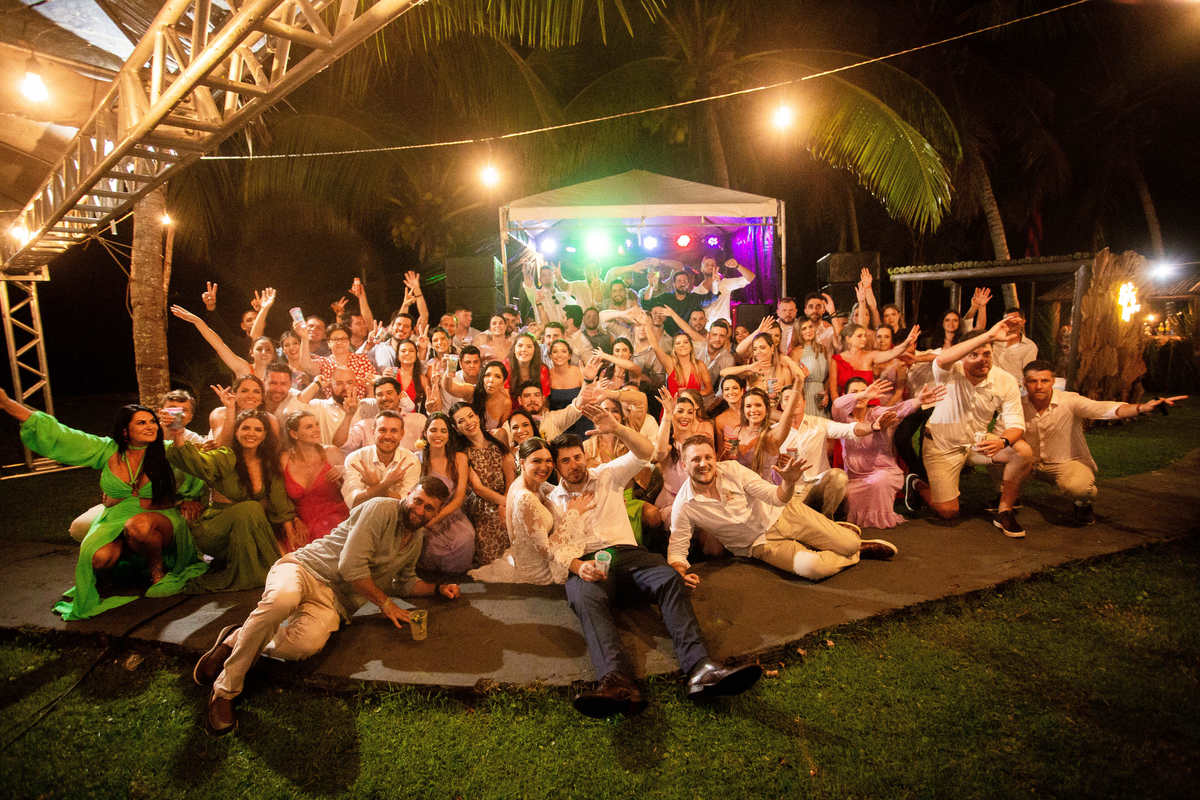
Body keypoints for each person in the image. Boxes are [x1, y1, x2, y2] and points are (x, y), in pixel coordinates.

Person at [195, 479, 457, 735]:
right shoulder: (381, 509)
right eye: (418, 501)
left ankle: (236, 637)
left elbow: (405, 582)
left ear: (436, 512)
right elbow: (350, 567)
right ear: (409, 494)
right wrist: (385, 604)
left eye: (429, 508)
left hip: (335, 602)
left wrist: (437, 588)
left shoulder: (415, 540)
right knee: (280, 602)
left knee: (302, 647)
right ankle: (225, 691)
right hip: (305, 568)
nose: (420, 510)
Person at [547, 412, 762, 717]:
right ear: (557, 467)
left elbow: (645, 452)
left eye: (577, 456)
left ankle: (700, 669)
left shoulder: (607, 474)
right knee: (583, 596)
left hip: (626, 555)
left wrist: (618, 428)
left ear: (585, 456)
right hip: (587, 563)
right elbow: (554, 547)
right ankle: (617, 682)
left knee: (668, 577)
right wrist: (578, 566)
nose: (574, 464)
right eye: (566, 460)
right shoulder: (554, 500)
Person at [2, 392, 208, 619]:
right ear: (125, 431)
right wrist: (7, 403)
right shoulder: (106, 449)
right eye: (142, 423)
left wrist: (192, 495)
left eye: (151, 422)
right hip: (115, 516)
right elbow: (64, 436)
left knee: (138, 526)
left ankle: (157, 571)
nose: (150, 427)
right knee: (98, 558)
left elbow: (197, 462)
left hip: (156, 515)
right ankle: (121, 574)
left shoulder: (167, 449)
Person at [669, 436, 898, 585]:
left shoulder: (733, 470)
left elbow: (775, 498)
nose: (703, 464)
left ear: (715, 458)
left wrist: (787, 483)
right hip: (760, 544)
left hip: (785, 515)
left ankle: (848, 542)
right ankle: (854, 551)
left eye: (708, 457)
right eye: (695, 459)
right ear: (684, 464)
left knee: (847, 543)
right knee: (813, 569)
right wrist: (679, 571)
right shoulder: (685, 505)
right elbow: (678, 549)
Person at [908, 315, 1034, 537]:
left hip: (976, 443)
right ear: (963, 357)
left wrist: (1002, 441)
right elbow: (940, 360)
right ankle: (917, 484)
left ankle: (1004, 510)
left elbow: (1016, 424)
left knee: (1022, 451)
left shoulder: (1004, 380)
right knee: (948, 512)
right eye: (974, 355)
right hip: (942, 445)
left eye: (987, 354)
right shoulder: (950, 370)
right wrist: (988, 335)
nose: (982, 359)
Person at [1019, 361, 1187, 525]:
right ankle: (1005, 497)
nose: (1039, 386)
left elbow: (1105, 409)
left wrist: (1142, 408)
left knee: (1079, 488)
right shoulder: (1018, 404)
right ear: (1025, 383)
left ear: (1053, 382)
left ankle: (1082, 503)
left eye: (1044, 380)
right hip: (1029, 462)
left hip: (1065, 462)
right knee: (996, 456)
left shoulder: (1069, 401)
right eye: (1033, 381)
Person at [167, 410, 297, 590]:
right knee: (250, 508)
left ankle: (260, 572)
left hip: (247, 533)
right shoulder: (226, 456)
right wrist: (179, 435)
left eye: (258, 429)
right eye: (245, 428)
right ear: (236, 432)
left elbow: (279, 501)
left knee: (286, 558)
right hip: (214, 531)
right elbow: (198, 463)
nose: (251, 433)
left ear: (265, 435)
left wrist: (291, 534)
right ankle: (252, 576)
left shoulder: (268, 463)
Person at [469, 438, 591, 584]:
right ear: (522, 463)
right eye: (536, 461)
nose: (544, 467)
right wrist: (573, 513)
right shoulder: (525, 498)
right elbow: (546, 551)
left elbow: (561, 491)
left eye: (548, 460)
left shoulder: (535, 483)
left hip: (529, 555)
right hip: (540, 571)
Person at [832, 379, 947, 529]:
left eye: (863, 392)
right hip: (856, 477)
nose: (860, 396)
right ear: (846, 395)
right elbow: (837, 405)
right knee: (849, 498)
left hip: (883, 471)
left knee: (879, 481)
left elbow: (899, 409)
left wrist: (918, 401)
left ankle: (882, 515)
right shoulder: (842, 418)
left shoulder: (876, 413)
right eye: (854, 392)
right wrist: (863, 394)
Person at [449, 402, 515, 566]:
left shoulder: (498, 437)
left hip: (507, 494)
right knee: (491, 556)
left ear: (477, 416)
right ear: (456, 428)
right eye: (461, 421)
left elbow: (509, 471)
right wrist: (504, 503)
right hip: (482, 502)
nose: (469, 422)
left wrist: (507, 500)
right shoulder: (462, 453)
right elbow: (478, 488)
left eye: (471, 416)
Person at [415, 413, 476, 574]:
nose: (438, 435)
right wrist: (426, 523)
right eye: (433, 430)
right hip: (424, 515)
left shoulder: (459, 458)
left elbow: (459, 497)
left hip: (451, 513)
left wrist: (435, 520)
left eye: (443, 431)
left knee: (465, 538)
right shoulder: (417, 459)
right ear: (425, 433)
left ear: (449, 435)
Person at [280, 411, 349, 550]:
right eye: (309, 427)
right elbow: (279, 497)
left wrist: (344, 472)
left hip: (334, 517)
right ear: (294, 434)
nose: (317, 429)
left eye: (317, 425)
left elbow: (352, 487)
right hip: (301, 521)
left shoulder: (331, 452)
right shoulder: (284, 459)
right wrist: (294, 519)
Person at [341, 410, 422, 508]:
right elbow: (353, 502)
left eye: (393, 431)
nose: (387, 436)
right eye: (382, 430)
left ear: (402, 434)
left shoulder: (410, 461)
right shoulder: (355, 458)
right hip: (362, 518)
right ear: (373, 432)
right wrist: (385, 484)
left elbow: (406, 505)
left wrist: (374, 486)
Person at [831, 323, 921, 400]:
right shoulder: (836, 360)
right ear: (848, 339)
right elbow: (834, 391)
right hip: (846, 405)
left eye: (865, 336)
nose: (864, 339)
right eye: (859, 336)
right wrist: (839, 408)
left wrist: (906, 343)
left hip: (870, 406)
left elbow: (892, 353)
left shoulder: (871, 355)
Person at [790, 318, 834, 418]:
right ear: (798, 332)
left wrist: (826, 392)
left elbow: (828, 376)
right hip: (805, 394)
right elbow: (792, 380)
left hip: (821, 397)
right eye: (804, 328)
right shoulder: (795, 352)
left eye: (810, 327)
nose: (808, 330)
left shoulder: (822, 348)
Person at [692, 257, 755, 324]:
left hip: (724, 328)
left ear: (717, 268)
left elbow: (750, 277)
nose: (710, 267)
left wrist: (737, 266)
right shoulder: (696, 291)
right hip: (706, 330)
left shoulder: (725, 283)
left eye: (713, 265)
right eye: (707, 265)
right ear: (702, 269)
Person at [990, 307, 1038, 381]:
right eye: (1008, 320)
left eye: (1015, 319)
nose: (1011, 322)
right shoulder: (994, 340)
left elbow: (1028, 373)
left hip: (1014, 386)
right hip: (991, 383)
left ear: (1023, 322)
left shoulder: (1029, 346)